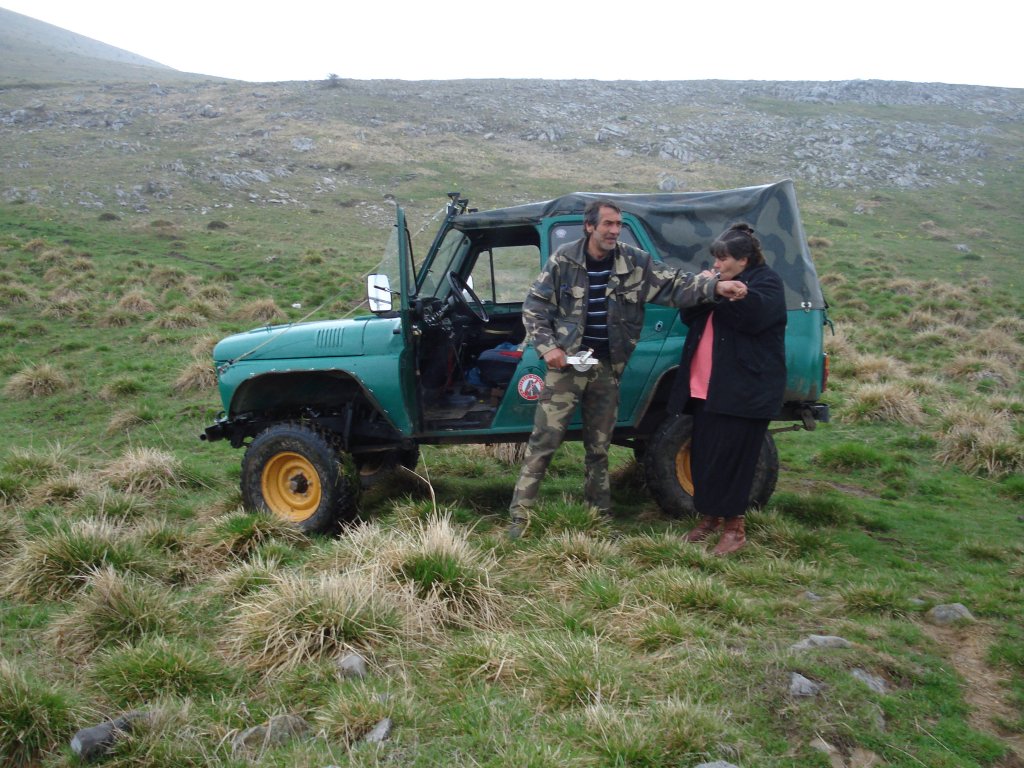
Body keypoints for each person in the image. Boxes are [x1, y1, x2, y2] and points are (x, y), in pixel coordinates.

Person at [507, 200, 748, 539]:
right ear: (589, 227)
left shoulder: (635, 261)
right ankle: (520, 518)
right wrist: (549, 348)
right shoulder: (564, 259)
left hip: (606, 368)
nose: (614, 231)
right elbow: (535, 305)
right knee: (543, 442)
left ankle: (599, 519)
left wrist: (715, 287)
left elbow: (675, 284)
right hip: (567, 369)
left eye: (618, 224)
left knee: (599, 448)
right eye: (608, 224)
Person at [666, 222, 787, 555]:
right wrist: (711, 289)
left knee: (735, 461)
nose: (717, 265)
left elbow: (751, 318)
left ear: (743, 260)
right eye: (716, 259)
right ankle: (710, 519)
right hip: (707, 388)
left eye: (723, 259)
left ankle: (735, 529)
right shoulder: (717, 283)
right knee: (706, 457)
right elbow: (688, 315)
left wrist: (720, 293)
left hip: (744, 392)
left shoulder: (767, 283)